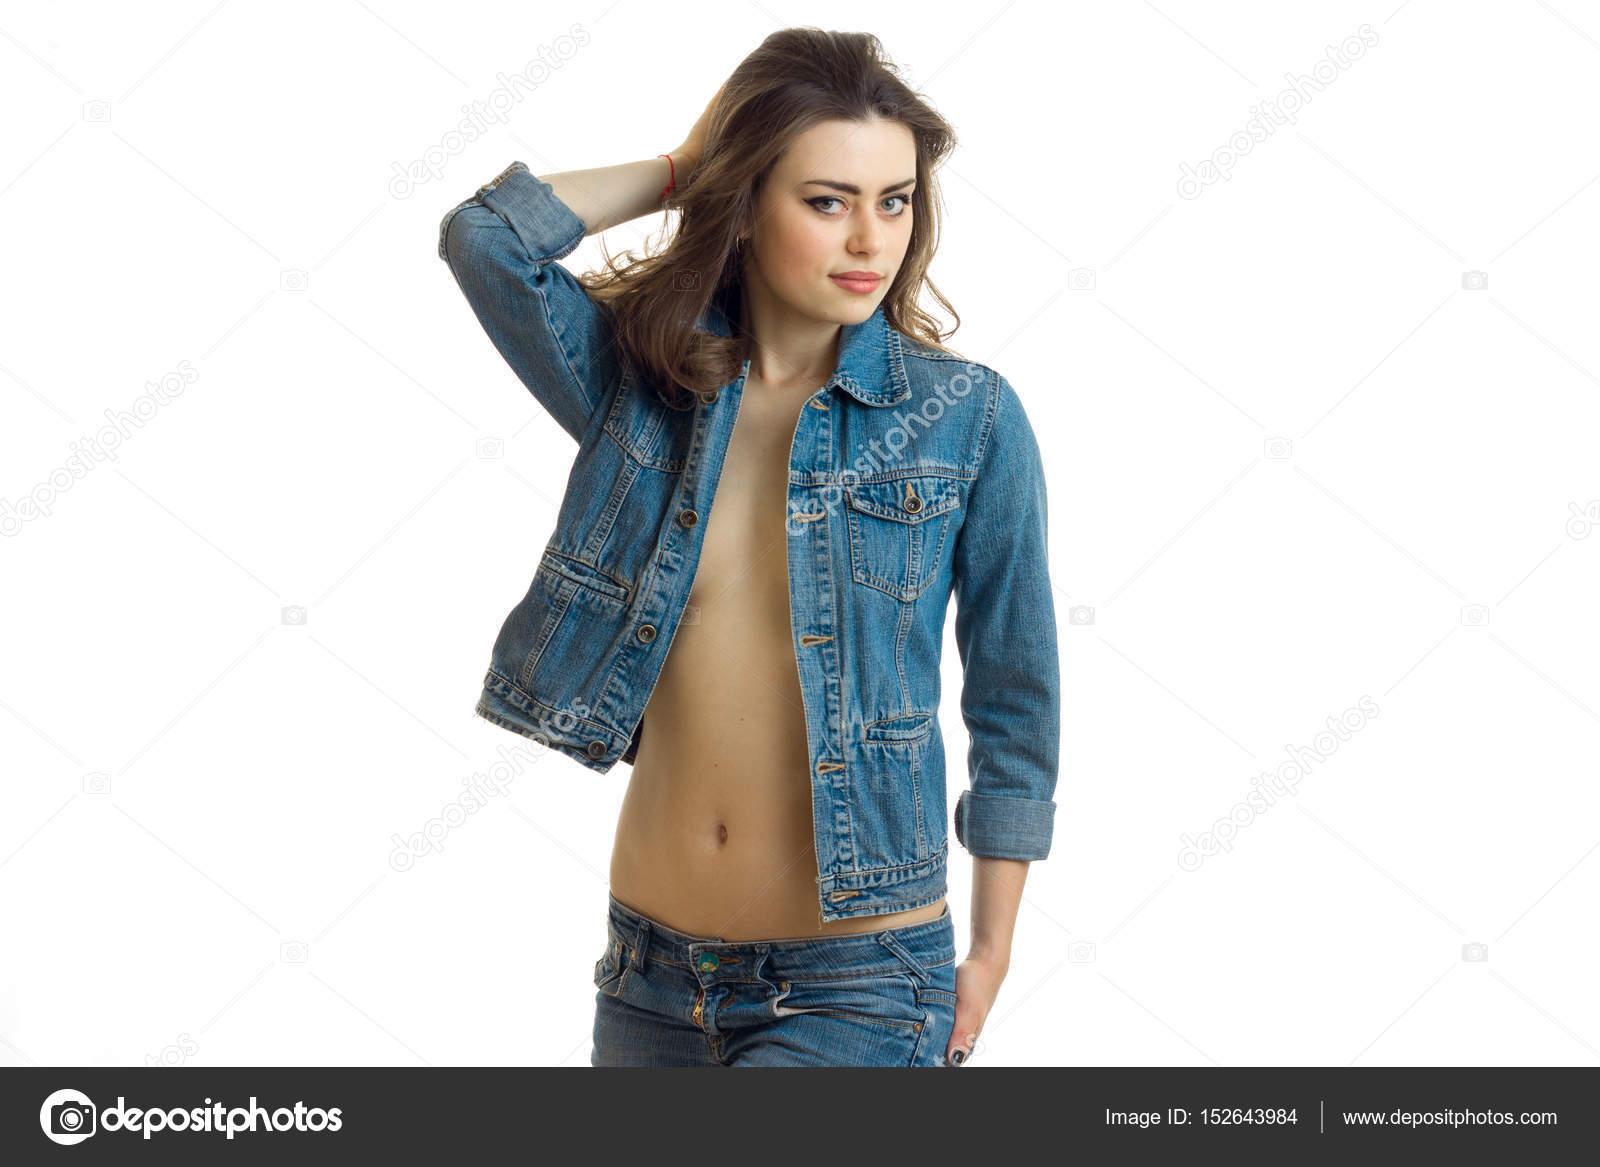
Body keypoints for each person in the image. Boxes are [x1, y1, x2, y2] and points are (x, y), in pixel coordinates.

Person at [437, 27, 1060, 1067]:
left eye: (893, 200)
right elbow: (484, 241)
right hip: (645, 979)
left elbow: (1014, 692)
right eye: (827, 201)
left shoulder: (967, 421)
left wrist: (990, 954)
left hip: (854, 986)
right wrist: (688, 168)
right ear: (746, 201)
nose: (871, 240)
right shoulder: (643, 393)